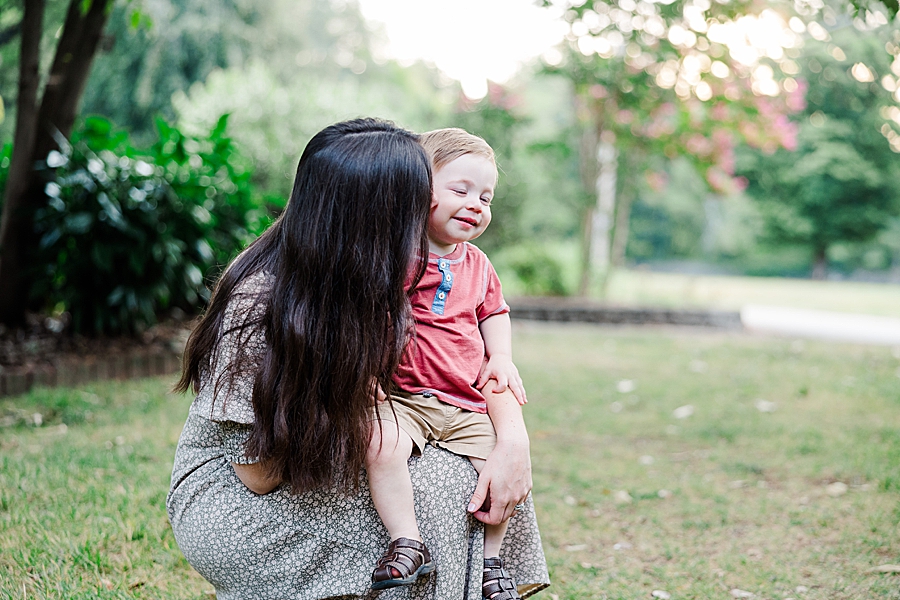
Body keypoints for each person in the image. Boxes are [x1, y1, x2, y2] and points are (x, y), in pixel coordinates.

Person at [166, 118, 549, 600]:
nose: (430, 218)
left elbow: (471, 358)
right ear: (368, 218)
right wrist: (363, 408)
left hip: (341, 441)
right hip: (244, 496)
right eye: (415, 207)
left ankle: (480, 577)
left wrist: (512, 439)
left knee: (471, 473)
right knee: (434, 492)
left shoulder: (387, 278)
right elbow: (258, 473)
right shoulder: (260, 302)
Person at [366, 128, 535, 600]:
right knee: (381, 445)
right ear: (420, 193)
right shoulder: (399, 257)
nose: (475, 204)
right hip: (404, 398)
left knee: (500, 470)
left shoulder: (478, 264)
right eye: (460, 190)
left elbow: (494, 312)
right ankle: (407, 540)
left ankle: (491, 562)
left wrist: (500, 355)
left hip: (465, 402)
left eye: (486, 196)